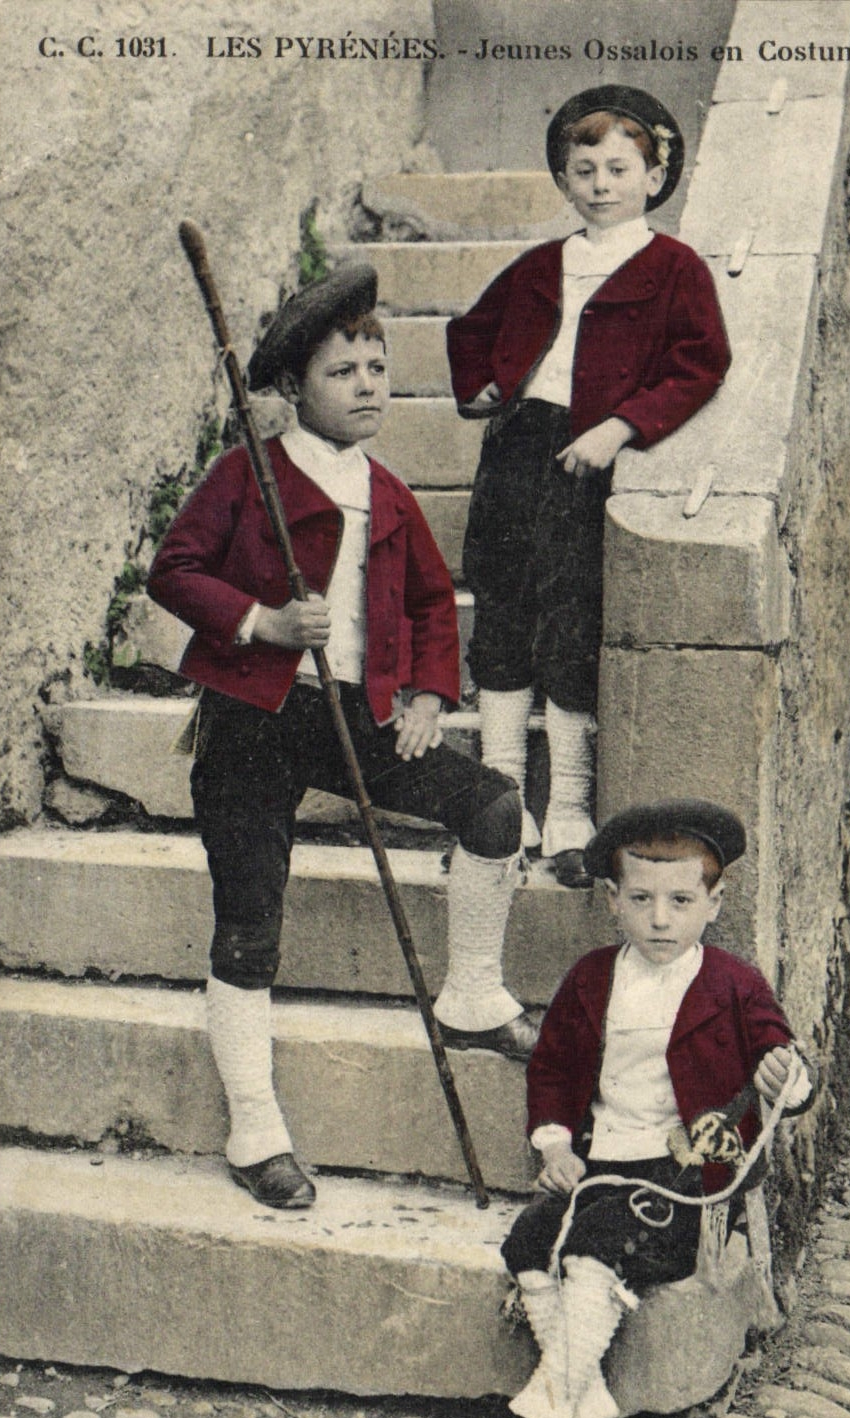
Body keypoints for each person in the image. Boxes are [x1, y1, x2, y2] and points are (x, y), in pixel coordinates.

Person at [148, 263, 539, 1213]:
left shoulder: (390, 491)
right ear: (290, 390)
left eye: (378, 367)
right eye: (342, 371)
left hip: (356, 719)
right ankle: (256, 1128)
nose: (368, 385)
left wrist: (427, 698)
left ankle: (474, 995)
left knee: (493, 809)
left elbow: (431, 604)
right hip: (253, 719)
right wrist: (261, 623)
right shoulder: (250, 475)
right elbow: (174, 570)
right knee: (249, 928)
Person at [482, 799, 814, 1418]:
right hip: (601, 1162)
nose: (660, 920)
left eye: (680, 900)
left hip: (685, 1176)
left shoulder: (733, 985)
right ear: (612, 901)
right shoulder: (593, 978)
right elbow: (554, 1069)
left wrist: (787, 1074)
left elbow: (785, 1060)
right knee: (527, 1244)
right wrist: (553, 1142)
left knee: (593, 1246)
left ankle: (538, 1416)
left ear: (712, 902)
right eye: (640, 899)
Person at [446, 87, 731, 888]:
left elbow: (698, 362)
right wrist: (481, 390)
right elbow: (470, 333)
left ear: (652, 176)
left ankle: (568, 803)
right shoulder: (543, 263)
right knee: (502, 606)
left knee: (572, 614)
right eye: (584, 169)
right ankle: (502, 790)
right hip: (519, 449)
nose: (601, 183)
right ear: (565, 181)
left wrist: (623, 427)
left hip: (589, 454)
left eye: (618, 167)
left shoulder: (672, 268)